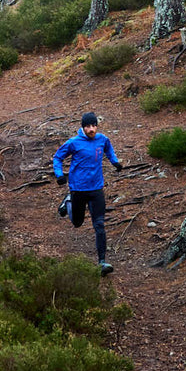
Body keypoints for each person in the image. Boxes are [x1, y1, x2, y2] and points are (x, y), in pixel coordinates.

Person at [52, 111, 123, 274]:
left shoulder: (102, 139)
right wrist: (59, 175)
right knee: (77, 223)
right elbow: (57, 157)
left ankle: (102, 262)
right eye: (88, 126)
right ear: (83, 127)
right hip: (78, 189)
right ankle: (68, 201)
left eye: (93, 126)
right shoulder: (74, 143)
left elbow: (109, 150)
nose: (91, 129)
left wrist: (115, 162)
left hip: (96, 188)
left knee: (99, 224)